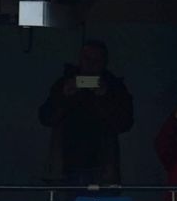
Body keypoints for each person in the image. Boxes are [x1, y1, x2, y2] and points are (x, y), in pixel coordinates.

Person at [38, 40, 134, 187]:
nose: (91, 64)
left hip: (102, 167)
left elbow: (124, 123)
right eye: (87, 59)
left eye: (96, 60)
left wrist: (104, 97)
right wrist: (64, 96)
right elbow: (46, 118)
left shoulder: (114, 87)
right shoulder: (65, 83)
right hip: (67, 167)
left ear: (104, 62)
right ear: (80, 60)